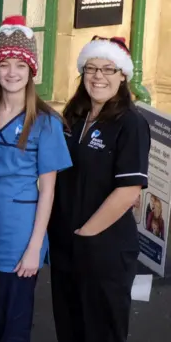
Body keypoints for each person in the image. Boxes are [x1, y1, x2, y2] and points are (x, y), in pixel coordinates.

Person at [0, 15, 72, 342]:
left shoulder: (46, 123)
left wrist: (35, 246)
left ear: (31, 72)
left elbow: (49, 189)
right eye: (5, 64)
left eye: (21, 66)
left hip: (18, 239)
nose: (12, 72)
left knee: (12, 329)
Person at [48, 35, 151, 342]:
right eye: (91, 68)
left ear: (123, 76)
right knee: (69, 327)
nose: (98, 76)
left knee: (101, 331)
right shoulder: (75, 115)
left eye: (108, 69)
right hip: (66, 244)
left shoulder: (130, 123)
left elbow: (129, 190)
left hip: (103, 248)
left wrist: (86, 235)